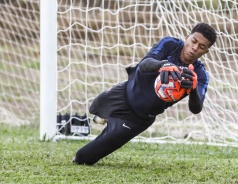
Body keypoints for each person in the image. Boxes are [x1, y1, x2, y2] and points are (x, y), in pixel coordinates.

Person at [73, 22, 217, 165]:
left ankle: (113, 123)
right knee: (94, 107)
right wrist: (163, 65)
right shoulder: (170, 44)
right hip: (122, 93)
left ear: (206, 51)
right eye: (193, 41)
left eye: (201, 47)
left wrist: (192, 90)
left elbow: (196, 108)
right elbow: (144, 63)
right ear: (187, 37)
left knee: (82, 158)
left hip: (137, 119)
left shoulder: (199, 75)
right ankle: (106, 115)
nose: (195, 48)